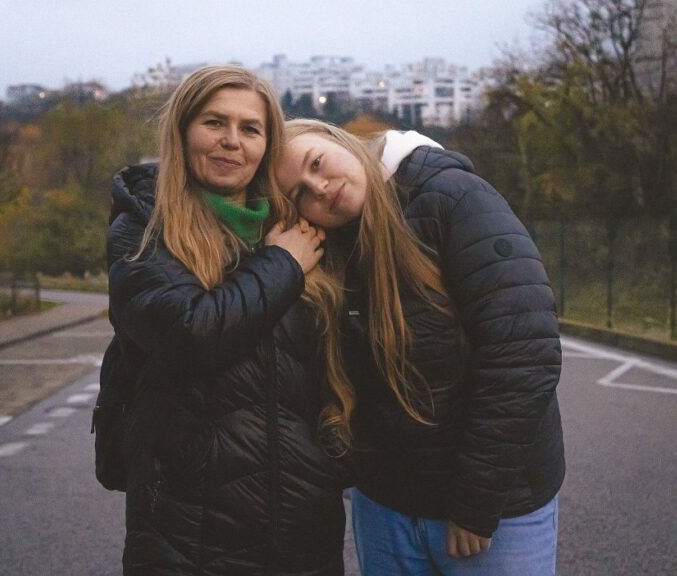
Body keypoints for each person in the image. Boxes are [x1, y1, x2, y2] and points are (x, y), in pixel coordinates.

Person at [275, 119, 565, 576]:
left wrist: (476, 504)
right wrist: (277, 266)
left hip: (492, 511)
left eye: (316, 163)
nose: (321, 188)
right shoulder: (324, 253)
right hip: (385, 506)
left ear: (337, 139)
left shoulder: (451, 197)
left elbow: (524, 355)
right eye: (300, 195)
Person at [104, 69, 348, 576]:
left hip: (301, 525)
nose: (232, 141)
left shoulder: (297, 224)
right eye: (214, 122)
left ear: (268, 144)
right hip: (187, 528)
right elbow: (189, 334)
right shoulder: (145, 226)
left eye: (250, 128)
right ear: (182, 130)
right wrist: (282, 265)